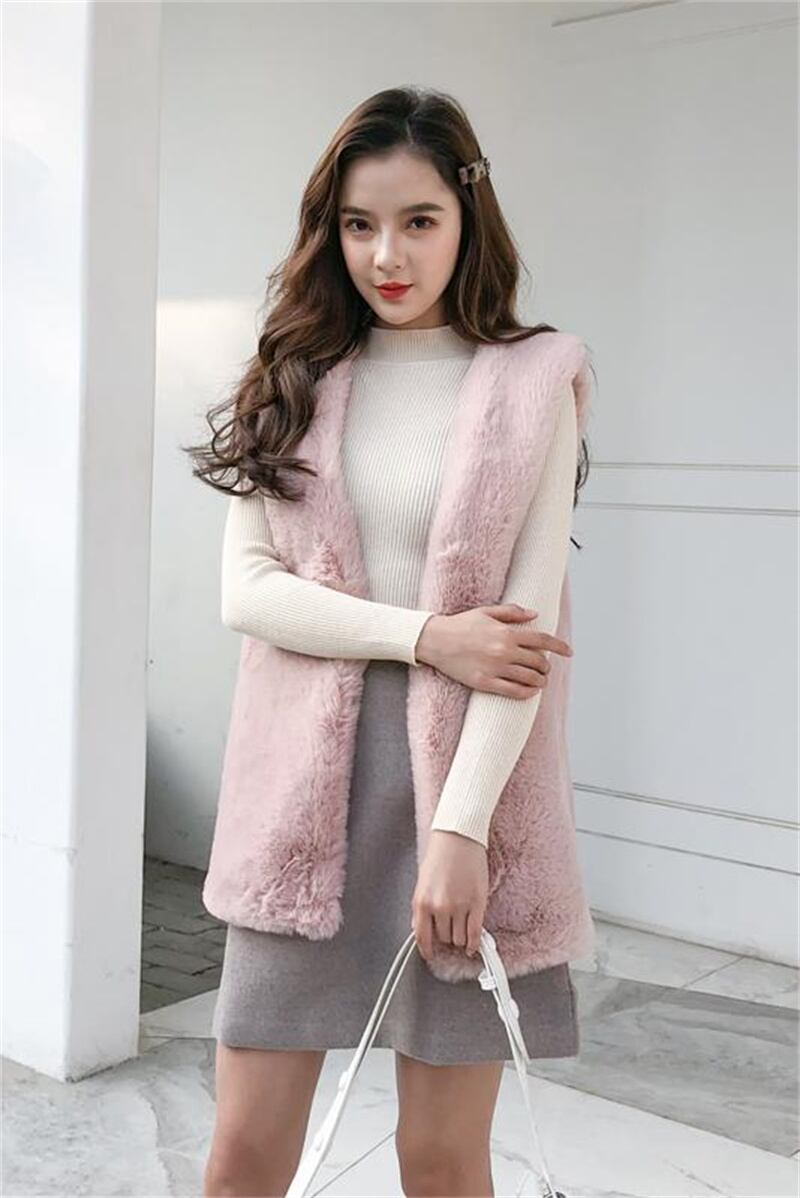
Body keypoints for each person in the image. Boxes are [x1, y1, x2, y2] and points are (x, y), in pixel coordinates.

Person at [185, 85, 594, 1198]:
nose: (386, 256)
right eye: (359, 224)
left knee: (442, 1163)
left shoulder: (535, 382)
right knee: (242, 1157)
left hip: (463, 791)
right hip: (298, 803)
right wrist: (427, 637)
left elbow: (520, 640)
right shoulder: (294, 377)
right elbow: (248, 591)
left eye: (418, 221)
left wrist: (461, 832)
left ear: (467, 219)